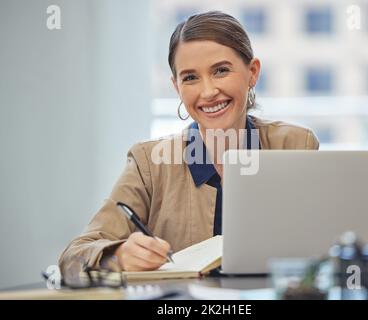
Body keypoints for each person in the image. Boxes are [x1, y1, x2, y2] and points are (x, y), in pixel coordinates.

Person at [59, 11, 319, 274]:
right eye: (191, 77)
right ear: (177, 87)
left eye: (221, 71)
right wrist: (117, 257)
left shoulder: (296, 145)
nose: (207, 92)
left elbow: (326, 245)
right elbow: (73, 256)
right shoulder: (149, 162)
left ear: (252, 72)